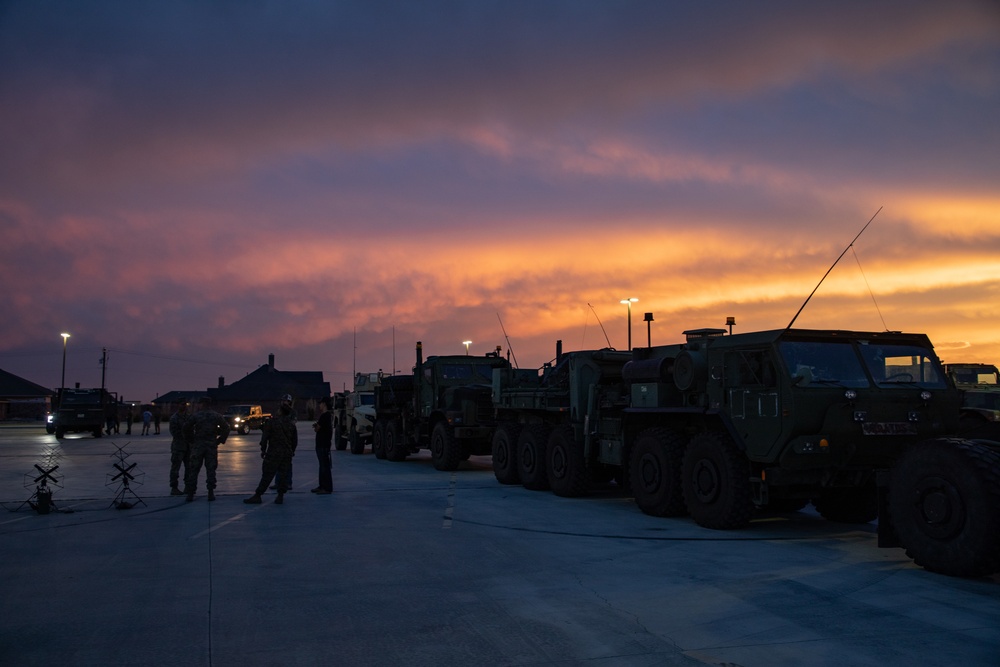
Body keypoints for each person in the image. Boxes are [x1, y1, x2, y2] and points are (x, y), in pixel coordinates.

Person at [244, 395, 298, 505]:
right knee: (283, 475)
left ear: (280, 412)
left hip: (274, 452)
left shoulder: (272, 422)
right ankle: (280, 496)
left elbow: (264, 438)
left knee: (267, 475)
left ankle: (258, 495)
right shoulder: (291, 425)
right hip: (286, 453)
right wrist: (291, 451)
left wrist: (263, 450)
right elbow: (295, 440)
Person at [183, 396, 228, 502]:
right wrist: (220, 440)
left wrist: (191, 440)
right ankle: (210, 492)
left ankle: (190, 493)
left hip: (198, 445)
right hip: (211, 445)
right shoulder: (216, 416)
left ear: (202, 404)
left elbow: (186, 428)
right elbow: (226, 427)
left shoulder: (196, 416)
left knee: (194, 469)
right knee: (211, 469)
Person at [168, 399, 191, 496]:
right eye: (182, 404)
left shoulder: (189, 417)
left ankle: (188, 486)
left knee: (189, 467)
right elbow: (175, 432)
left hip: (188, 446)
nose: (184, 406)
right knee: (175, 468)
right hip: (178, 446)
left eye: (185, 404)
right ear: (178, 405)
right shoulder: (174, 418)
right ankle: (174, 487)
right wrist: (186, 434)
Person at [311, 397, 334, 494]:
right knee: (322, 466)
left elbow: (317, 428)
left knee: (325, 466)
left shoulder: (325, 416)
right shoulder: (327, 416)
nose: (319, 405)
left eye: (320, 403)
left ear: (324, 404)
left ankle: (327, 488)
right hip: (322, 445)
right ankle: (321, 486)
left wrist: (316, 426)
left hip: (323, 445)